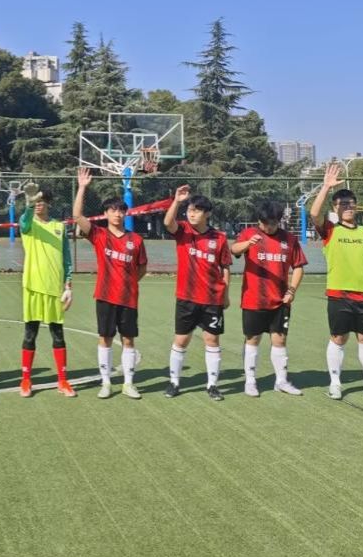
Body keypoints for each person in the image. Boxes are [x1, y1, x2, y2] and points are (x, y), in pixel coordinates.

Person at [309, 163, 363, 400]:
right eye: (342, 204)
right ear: (335, 208)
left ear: (356, 206)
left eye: (350, 203)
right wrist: (326, 187)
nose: (347, 207)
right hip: (340, 295)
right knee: (339, 338)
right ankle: (335, 384)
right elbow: (314, 214)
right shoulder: (329, 230)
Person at [73, 167, 147, 399]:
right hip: (105, 295)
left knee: (128, 339)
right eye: (112, 210)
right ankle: (106, 383)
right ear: (105, 214)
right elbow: (77, 216)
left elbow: (142, 268)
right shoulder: (99, 235)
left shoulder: (136, 240)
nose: (117, 214)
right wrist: (82, 187)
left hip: (128, 298)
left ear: (125, 214)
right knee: (104, 338)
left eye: (121, 210)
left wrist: (129, 283)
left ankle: (128, 384)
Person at [230, 200, 307, 397]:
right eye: (264, 223)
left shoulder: (289, 239)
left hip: (281, 301)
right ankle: (250, 381)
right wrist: (248, 244)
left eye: (273, 223)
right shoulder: (249, 234)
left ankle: (281, 381)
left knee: (279, 340)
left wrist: (291, 291)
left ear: (278, 221)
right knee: (253, 339)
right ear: (259, 220)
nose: (268, 227)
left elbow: (298, 267)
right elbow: (234, 249)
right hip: (254, 299)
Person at [163, 185, 232, 401]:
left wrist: (226, 294)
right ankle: (174, 382)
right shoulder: (183, 231)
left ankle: (212, 385)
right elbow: (168, 223)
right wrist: (177, 201)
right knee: (181, 340)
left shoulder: (219, 238)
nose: (191, 214)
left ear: (207, 213)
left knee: (212, 340)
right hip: (187, 297)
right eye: (189, 210)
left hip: (212, 298)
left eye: (197, 210)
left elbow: (225, 267)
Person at [19, 181, 75, 398]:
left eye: (42, 201)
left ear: (49, 203)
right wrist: (28, 205)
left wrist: (68, 285)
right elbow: (24, 221)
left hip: (54, 289)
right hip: (33, 287)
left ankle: (63, 380)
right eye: (36, 201)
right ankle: (26, 380)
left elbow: (66, 258)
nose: (39, 204)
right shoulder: (28, 224)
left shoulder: (59, 227)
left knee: (58, 335)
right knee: (30, 334)